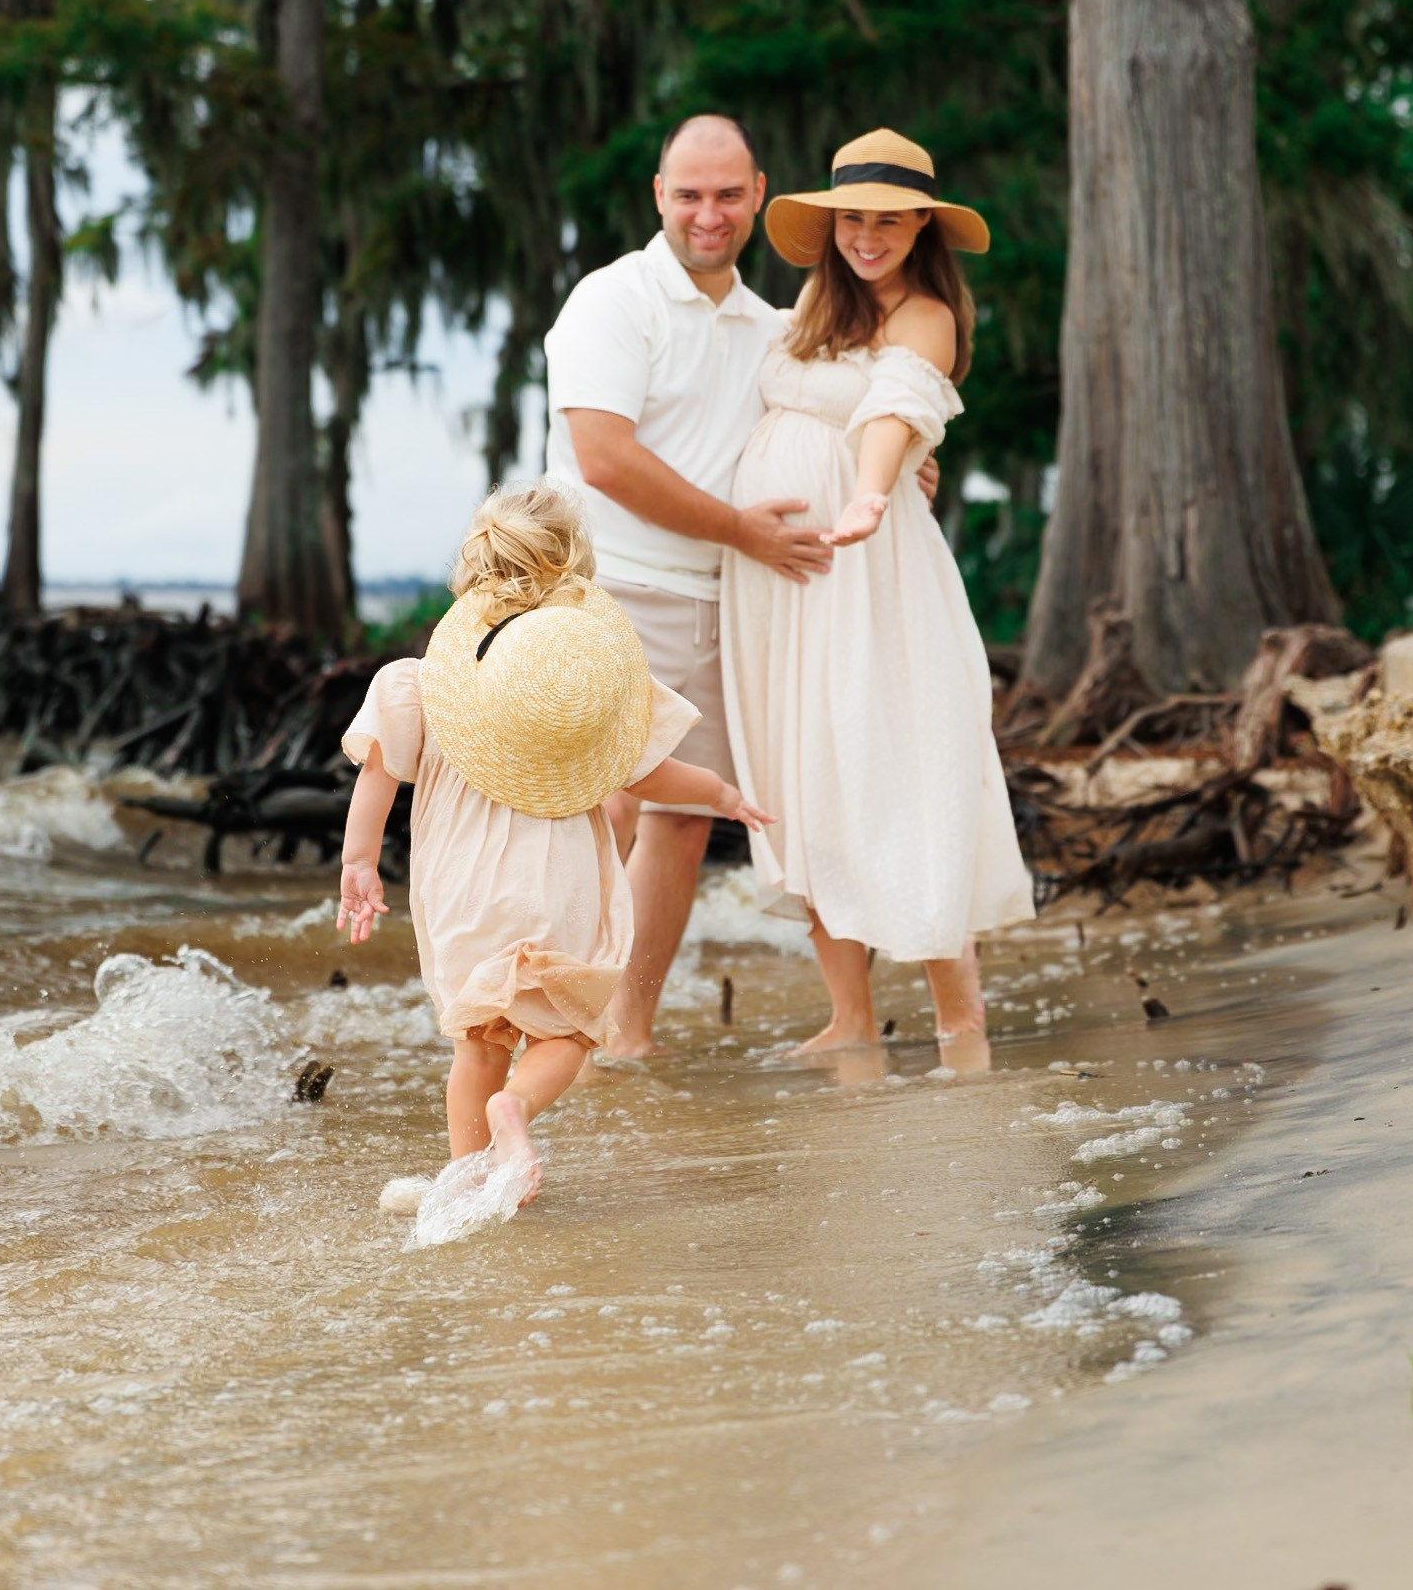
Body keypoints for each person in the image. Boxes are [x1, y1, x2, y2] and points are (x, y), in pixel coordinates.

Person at [542, 113, 932, 1058]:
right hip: (613, 586)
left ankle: (624, 1032)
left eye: (725, 195)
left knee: (683, 818)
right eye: (687, 195)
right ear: (658, 197)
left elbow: (861, 407)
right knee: (606, 805)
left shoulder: (775, 327)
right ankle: (548, 1024)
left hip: (724, 599)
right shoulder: (611, 301)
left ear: (758, 194)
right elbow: (603, 459)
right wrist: (743, 531)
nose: (707, 215)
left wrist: (913, 465)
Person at [335, 487, 770, 1204]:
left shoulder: (419, 686)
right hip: (556, 885)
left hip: (461, 890)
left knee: (478, 1041)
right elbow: (653, 772)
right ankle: (519, 1110)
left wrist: (359, 864)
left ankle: (468, 1178)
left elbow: (377, 779)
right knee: (565, 1031)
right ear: (576, 567)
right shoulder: (585, 688)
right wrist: (721, 794)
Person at [720, 128, 1036, 1066]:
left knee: (895, 762)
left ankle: (959, 1024)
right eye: (852, 217)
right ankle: (851, 1019)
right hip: (779, 579)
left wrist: (870, 489)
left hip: (869, 570)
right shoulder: (817, 299)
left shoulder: (927, 314)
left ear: (921, 227)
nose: (867, 235)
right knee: (800, 770)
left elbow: (897, 407)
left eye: (888, 221)